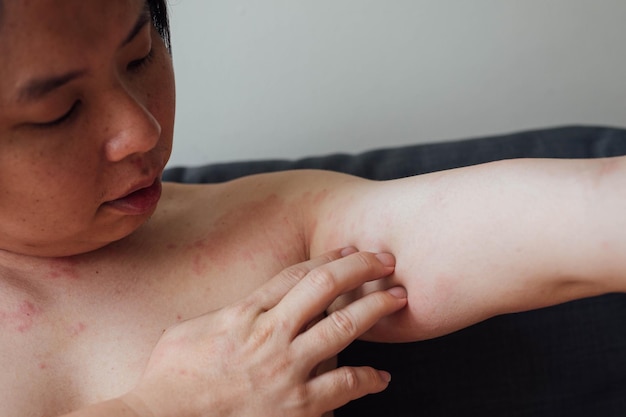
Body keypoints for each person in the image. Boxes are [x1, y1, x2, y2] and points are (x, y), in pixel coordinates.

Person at [0, 1, 625, 416]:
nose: (141, 127)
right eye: (57, 113)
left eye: (140, 56)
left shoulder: (269, 223)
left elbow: (569, 223)